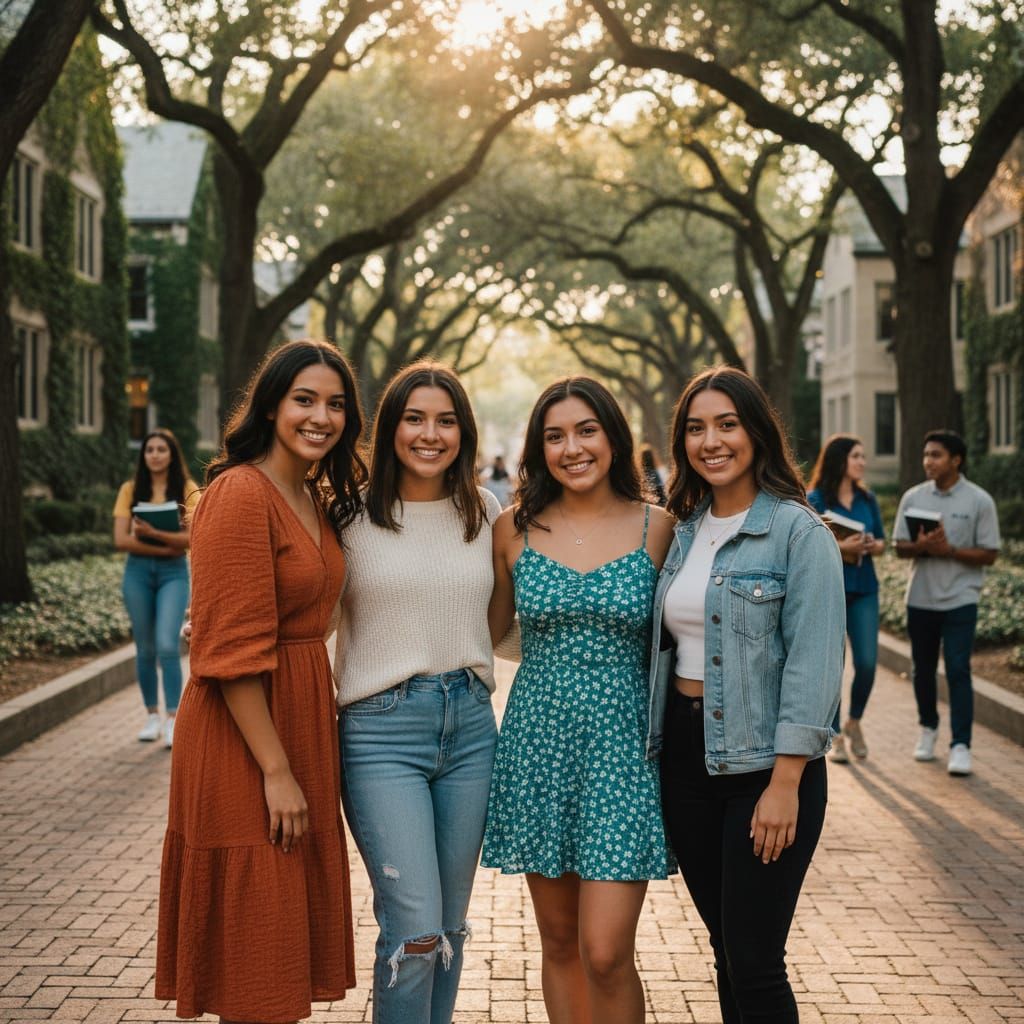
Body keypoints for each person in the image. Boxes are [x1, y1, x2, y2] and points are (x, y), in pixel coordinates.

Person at [155, 339, 365, 1022]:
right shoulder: (240, 491)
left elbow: (301, 613)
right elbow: (233, 657)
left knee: (276, 948)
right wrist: (275, 770)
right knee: (255, 950)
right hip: (246, 738)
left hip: (299, 715)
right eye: (304, 399)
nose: (321, 416)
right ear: (271, 405)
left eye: (335, 404)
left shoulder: (311, 492)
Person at [647, 366, 845, 1024]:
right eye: (696, 428)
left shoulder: (798, 533)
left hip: (766, 768)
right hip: (685, 760)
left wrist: (787, 780)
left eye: (727, 424)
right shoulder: (681, 529)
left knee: (757, 962)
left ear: (756, 432)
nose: (712, 441)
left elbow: (816, 663)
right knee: (726, 949)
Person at [484, 376, 676, 1024]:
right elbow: (479, 629)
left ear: (613, 438)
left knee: (605, 951)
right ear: (540, 449)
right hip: (538, 745)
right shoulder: (512, 529)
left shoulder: (660, 528)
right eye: (555, 435)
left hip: (623, 754)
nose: (573, 448)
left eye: (586, 430)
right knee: (561, 943)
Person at [333, 362, 502, 1024]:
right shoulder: (347, 513)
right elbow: (305, 613)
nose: (430, 434)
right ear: (389, 427)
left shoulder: (483, 512)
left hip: (469, 727)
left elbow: (503, 622)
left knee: (451, 929)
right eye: (414, 418)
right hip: (380, 732)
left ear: (463, 430)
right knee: (415, 928)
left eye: (446, 420)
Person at [893, 429, 1000, 777]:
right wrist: (922, 547)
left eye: (936, 455)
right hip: (920, 597)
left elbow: (989, 554)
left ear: (956, 460)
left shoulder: (980, 501)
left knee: (957, 669)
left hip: (960, 598)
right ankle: (928, 728)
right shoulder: (912, 497)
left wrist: (949, 550)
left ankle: (961, 745)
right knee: (922, 670)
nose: (928, 462)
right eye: (926, 455)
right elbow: (899, 547)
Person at [113, 428, 200, 748]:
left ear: (172, 454)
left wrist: (152, 534)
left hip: (173, 575)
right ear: (143, 455)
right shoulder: (130, 489)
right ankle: (152, 715)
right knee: (145, 647)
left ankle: (174, 719)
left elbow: (195, 536)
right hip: (136, 573)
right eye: (150, 450)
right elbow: (121, 540)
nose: (155, 455)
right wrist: (167, 545)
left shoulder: (187, 489)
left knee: (167, 644)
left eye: (162, 449)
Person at [807, 434, 886, 762]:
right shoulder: (815, 499)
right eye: (856, 456)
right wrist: (842, 547)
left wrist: (870, 546)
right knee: (833, 667)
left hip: (864, 588)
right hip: (830, 589)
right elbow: (806, 542)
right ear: (840, 460)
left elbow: (882, 542)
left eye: (863, 456)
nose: (862, 463)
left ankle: (854, 721)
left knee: (867, 663)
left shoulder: (868, 500)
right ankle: (836, 735)